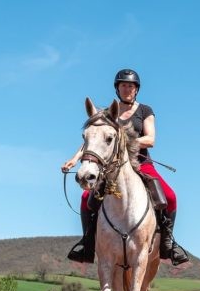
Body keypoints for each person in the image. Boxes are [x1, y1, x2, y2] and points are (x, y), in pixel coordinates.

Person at [62, 68, 189, 266]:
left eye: (131, 86)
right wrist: (74, 158)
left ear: (136, 89)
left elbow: (150, 139)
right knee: (86, 197)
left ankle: (168, 243)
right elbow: (94, 139)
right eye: (123, 85)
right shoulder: (107, 114)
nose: (127, 89)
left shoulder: (145, 110)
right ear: (117, 88)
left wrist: (124, 141)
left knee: (170, 197)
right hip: (112, 167)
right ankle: (87, 243)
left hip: (140, 162)